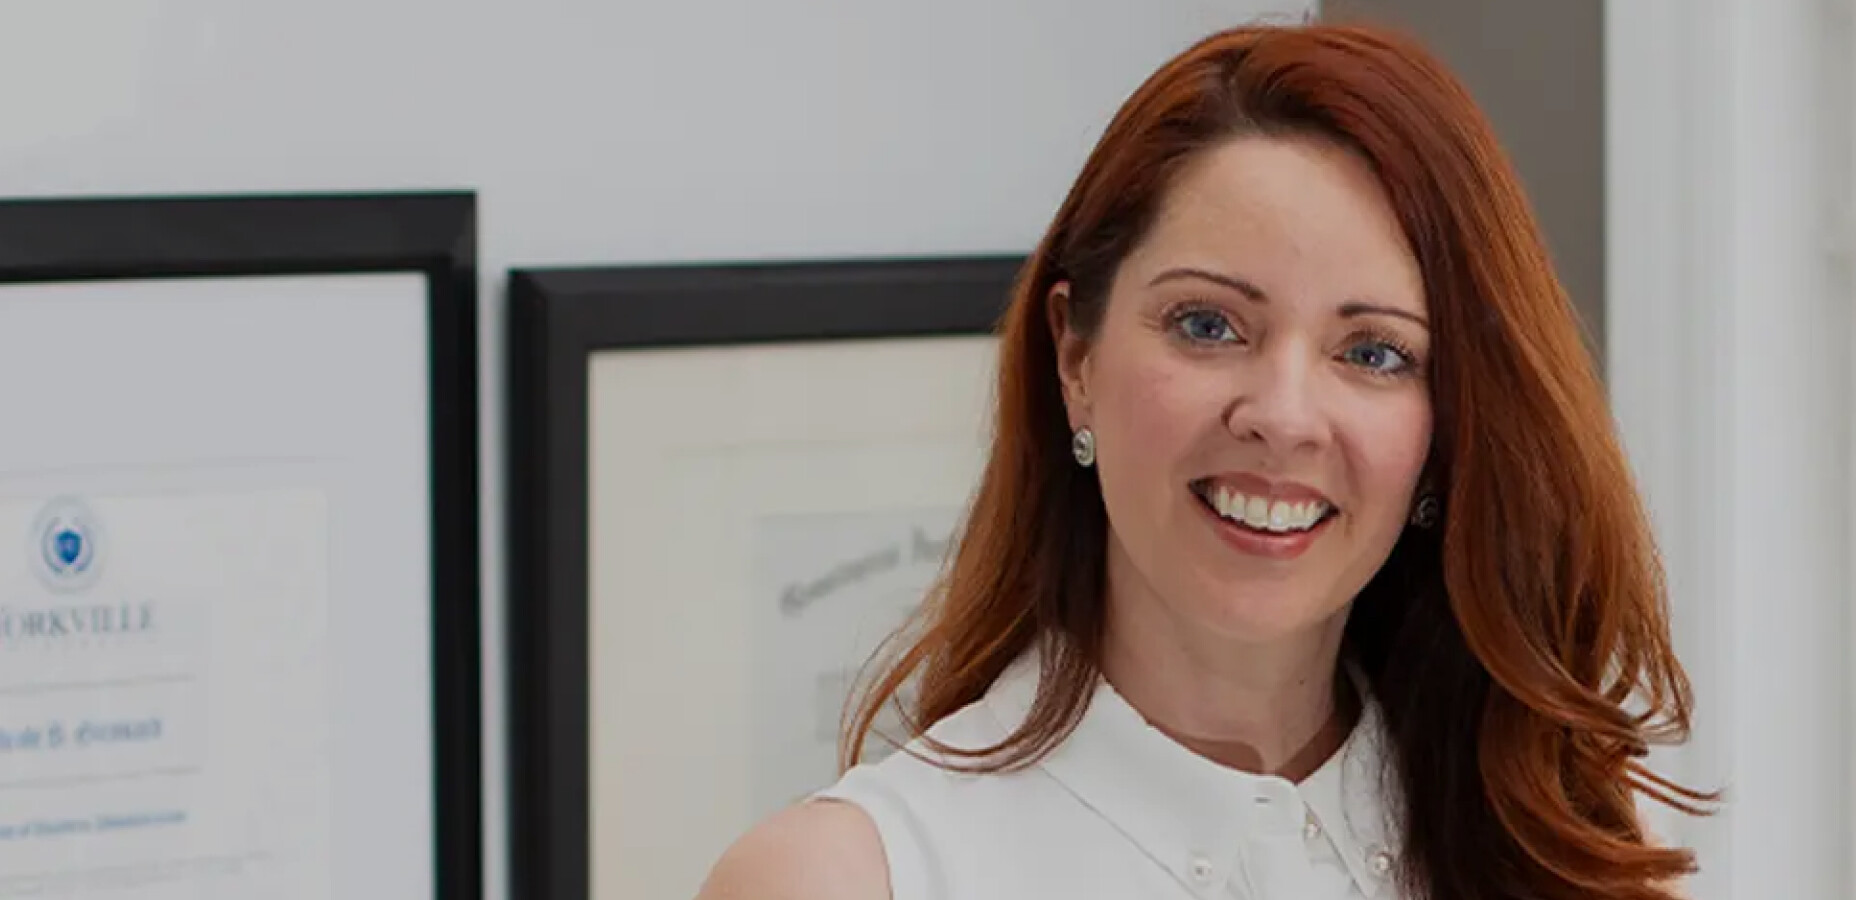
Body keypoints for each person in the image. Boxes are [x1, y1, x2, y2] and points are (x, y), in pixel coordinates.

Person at [695, 21, 1711, 900]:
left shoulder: (1578, 844)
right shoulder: (846, 879)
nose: (1282, 415)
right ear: (1076, 355)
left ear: (1449, 426)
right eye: (1208, 324)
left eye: (1373, 352)